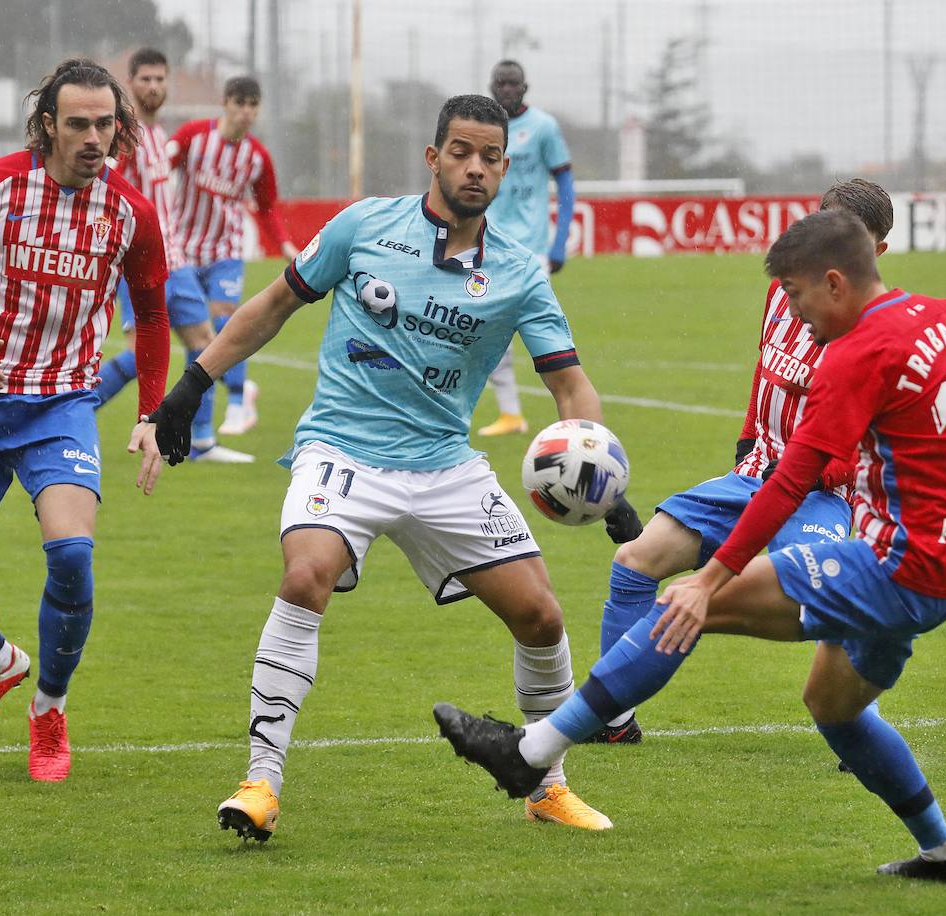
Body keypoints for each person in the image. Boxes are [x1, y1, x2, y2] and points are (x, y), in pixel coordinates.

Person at [434, 208, 946, 884]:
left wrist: (710, 577)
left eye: (799, 297)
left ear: (836, 281)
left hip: (891, 567)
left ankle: (532, 752)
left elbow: (790, 482)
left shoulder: (856, 352)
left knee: (687, 609)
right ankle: (944, 852)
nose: (795, 315)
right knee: (833, 707)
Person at [133, 94, 639, 839]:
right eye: (461, 152)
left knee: (541, 615)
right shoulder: (364, 226)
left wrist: (603, 476)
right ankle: (260, 782)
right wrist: (191, 385)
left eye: (490, 157)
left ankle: (547, 785)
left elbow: (568, 382)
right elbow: (274, 304)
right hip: (341, 448)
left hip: (443, 466)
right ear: (433, 159)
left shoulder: (520, 273)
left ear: (504, 168)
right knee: (305, 575)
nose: (475, 167)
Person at [0, 58, 171, 782]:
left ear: (120, 127)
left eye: (105, 125)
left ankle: (49, 709)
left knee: (72, 555)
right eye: (77, 123)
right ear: (48, 123)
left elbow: (153, 315)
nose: (92, 138)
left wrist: (151, 414)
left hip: (62, 404)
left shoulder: (131, 214)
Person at [585, 178, 892, 745]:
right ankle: (610, 721)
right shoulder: (786, 288)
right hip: (754, 475)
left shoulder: (875, 326)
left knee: (829, 602)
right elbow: (766, 370)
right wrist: (748, 443)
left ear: (877, 254)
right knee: (636, 559)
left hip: (819, 493)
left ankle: (861, 732)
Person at [95, 48, 252, 463]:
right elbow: (102, 184)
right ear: (130, 83)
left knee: (205, 345)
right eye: (145, 79)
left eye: (160, 79)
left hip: (175, 260)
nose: (153, 86)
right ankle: (69, 412)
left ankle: (200, 441)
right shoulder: (124, 138)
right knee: (136, 355)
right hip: (138, 265)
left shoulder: (160, 135)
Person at [168, 75, 301, 439]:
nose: (246, 112)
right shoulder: (194, 136)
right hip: (184, 250)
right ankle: (198, 427)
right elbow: (161, 164)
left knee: (224, 320)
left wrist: (285, 244)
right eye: (240, 103)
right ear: (225, 103)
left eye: (252, 105)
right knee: (200, 339)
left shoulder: (257, 157)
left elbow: (267, 206)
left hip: (226, 251)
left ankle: (240, 399)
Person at [477, 60, 575, 437]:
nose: (505, 89)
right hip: (489, 243)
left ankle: (570, 417)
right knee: (489, 330)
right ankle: (511, 414)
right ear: (491, 85)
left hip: (531, 248)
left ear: (525, 87)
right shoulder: (484, 128)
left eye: (512, 83)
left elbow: (565, 182)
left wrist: (560, 239)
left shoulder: (543, 127)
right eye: (499, 83)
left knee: (542, 331)